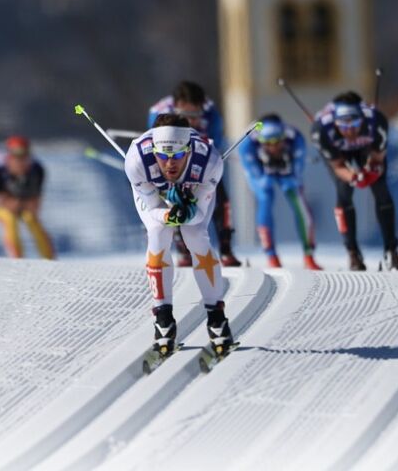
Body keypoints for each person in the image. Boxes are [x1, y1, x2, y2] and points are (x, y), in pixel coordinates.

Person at [124, 113, 235, 357]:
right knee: (157, 233)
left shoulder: (210, 161)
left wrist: (188, 210)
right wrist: (168, 215)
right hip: (156, 198)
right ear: (154, 150)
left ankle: (217, 319)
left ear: (189, 149)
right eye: (162, 156)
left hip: (193, 195)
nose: (169, 164)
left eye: (177, 156)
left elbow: (198, 216)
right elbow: (153, 210)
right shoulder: (136, 161)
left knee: (195, 235)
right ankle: (163, 318)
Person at [148, 81, 241, 267]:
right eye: (186, 115)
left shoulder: (212, 114)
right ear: (176, 108)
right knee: (173, 198)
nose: (191, 121)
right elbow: (154, 146)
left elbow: (215, 146)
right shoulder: (158, 111)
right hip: (172, 162)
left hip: (198, 158)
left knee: (220, 197)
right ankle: (182, 248)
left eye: (196, 115)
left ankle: (225, 248)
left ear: (202, 108)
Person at [311, 91, 398, 271]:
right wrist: (354, 177)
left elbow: (378, 160)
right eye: (343, 125)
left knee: (381, 190)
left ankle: (392, 250)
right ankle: (353, 253)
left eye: (354, 124)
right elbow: (338, 166)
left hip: (367, 150)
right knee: (344, 192)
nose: (349, 131)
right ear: (335, 121)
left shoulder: (377, 123)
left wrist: (371, 171)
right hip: (339, 154)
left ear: (362, 118)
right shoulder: (321, 130)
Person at [238, 113, 322, 270]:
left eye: (278, 142)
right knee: (265, 197)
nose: (274, 147)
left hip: (287, 171)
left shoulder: (296, 138)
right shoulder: (247, 144)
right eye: (268, 143)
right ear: (260, 140)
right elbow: (254, 174)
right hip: (261, 170)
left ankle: (309, 255)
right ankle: (271, 256)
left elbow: (297, 172)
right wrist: (264, 178)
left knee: (298, 200)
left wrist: (291, 179)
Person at [0, 135, 55, 259]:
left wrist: (26, 205)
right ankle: (17, 260)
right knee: (10, 218)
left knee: (31, 219)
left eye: (24, 157)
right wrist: (11, 202)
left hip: (20, 197)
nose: (20, 162)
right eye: (16, 157)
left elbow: (36, 201)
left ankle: (50, 259)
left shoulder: (37, 169)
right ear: (9, 156)